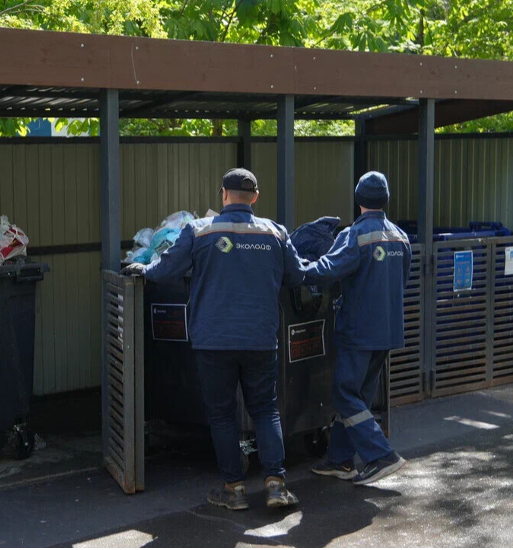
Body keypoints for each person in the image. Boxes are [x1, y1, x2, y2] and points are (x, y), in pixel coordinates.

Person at [121, 168, 308, 511]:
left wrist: (142, 270)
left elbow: (165, 271)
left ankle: (233, 489)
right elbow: (296, 276)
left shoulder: (199, 230)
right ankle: (277, 485)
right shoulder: (275, 233)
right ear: (255, 196)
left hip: (213, 340)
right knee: (265, 409)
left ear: (224, 194)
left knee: (222, 416)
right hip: (260, 339)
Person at [305, 171, 412, 485]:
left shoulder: (354, 235)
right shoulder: (400, 237)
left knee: (344, 394)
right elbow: (401, 280)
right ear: (385, 200)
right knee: (360, 398)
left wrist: (298, 269)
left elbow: (329, 269)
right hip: (388, 329)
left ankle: (381, 456)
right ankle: (340, 460)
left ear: (359, 200)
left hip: (359, 329)